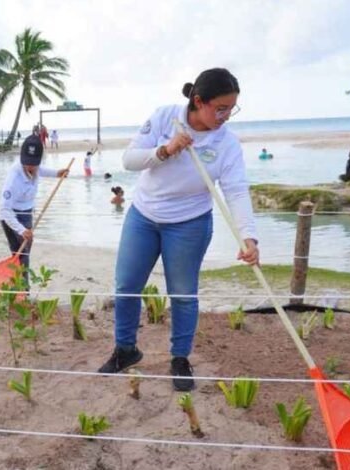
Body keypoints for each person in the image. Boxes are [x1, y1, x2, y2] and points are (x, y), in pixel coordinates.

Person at [97, 68, 259, 391]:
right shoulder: (165, 117)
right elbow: (129, 160)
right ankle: (125, 349)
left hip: (190, 224)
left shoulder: (226, 143)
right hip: (144, 215)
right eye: (221, 108)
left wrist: (248, 236)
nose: (226, 116)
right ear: (198, 101)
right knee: (126, 284)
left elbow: (236, 191)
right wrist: (165, 150)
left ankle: (180, 358)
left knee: (183, 294)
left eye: (232, 108)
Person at [0, 134, 69, 284]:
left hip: (27, 213)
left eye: (34, 163)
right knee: (21, 253)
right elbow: (4, 210)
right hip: (11, 216)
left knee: (24, 252)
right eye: (27, 163)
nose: (30, 167)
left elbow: (41, 170)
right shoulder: (13, 180)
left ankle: (18, 288)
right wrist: (21, 230)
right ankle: (22, 291)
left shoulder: (36, 168)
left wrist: (57, 173)